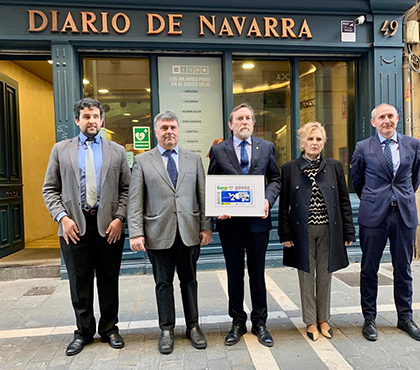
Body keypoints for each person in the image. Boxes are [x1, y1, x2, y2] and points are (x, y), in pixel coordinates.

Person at [42, 98, 131, 355]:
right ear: (77, 120)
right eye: (86, 116)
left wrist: (120, 218)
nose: (92, 120)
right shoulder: (61, 150)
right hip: (73, 227)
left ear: (102, 120)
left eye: (95, 116)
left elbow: (127, 188)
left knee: (108, 280)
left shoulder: (117, 151)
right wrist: (62, 217)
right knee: (79, 283)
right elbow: (49, 189)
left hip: (109, 227)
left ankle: (110, 329)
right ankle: (83, 332)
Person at [128, 110, 212, 354]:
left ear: (179, 130)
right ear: (156, 132)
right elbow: (135, 200)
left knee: (190, 281)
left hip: (189, 232)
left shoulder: (193, 159)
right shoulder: (143, 161)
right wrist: (136, 232)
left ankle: (193, 326)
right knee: (163, 283)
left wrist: (206, 227)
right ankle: (166, 329)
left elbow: (203, 195)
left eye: (173, 127)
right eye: (164, 128)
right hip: (157, 233)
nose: (169, 132)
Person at [208, 103, 281, 347]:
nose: (245, 121)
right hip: (231, 226)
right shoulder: (219, 150)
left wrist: (267, 200)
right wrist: (218, 209)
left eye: (248, 118)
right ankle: (237, 322)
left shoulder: (266, 147)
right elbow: (213, 183)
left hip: (258, 223)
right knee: (234, 274)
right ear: (231, 125)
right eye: (239, 118)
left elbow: (276, 179)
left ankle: (260, 322)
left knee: (258, 274)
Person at [278, 121, 355, 341]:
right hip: (302, 231)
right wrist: (285, 234)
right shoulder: (289, 169)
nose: (314, 143)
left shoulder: (334, 167)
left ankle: (324, 319)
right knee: (306, 276)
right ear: (302, 142)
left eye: (319, 139)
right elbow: (284, 205)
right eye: (310, 139)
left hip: (329, 230)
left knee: (325, 275)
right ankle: (310, 321)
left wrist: (348, 232)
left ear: (324, 143)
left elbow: (343, 201)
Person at [351, 103, 420, 341]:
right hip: (374, 215)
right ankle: (369, 319)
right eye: (382, 117)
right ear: (373, 122)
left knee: (404, 268)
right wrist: (375, 199)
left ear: (397, 118)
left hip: (403, 214)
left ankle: (405, 318)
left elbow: (414, 177)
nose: (386, 120)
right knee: (369, 269)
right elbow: (357, 181)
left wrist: (401, 197)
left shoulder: (413, 145)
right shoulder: (362, 147)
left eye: (390, 116)